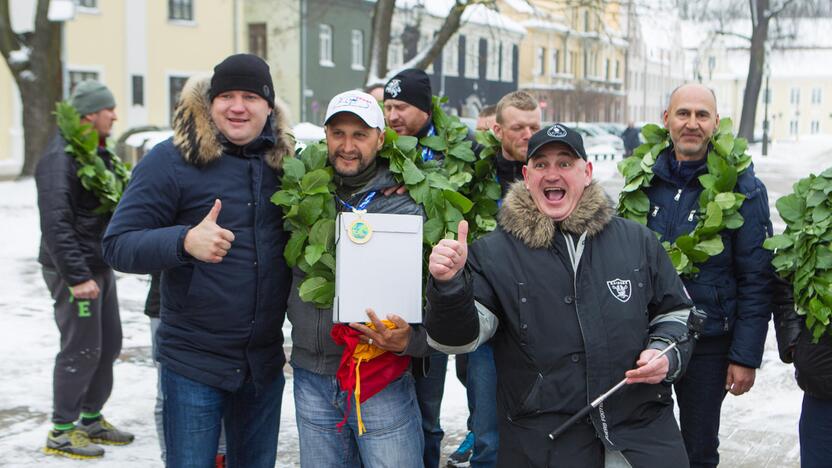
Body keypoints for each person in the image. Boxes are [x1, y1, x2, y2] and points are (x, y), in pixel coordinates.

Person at [425, 124, 695, 467]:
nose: (552, 174)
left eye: (565, 163)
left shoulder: (637, 242)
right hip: (543, 442)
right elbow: (457, 340)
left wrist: (665, 353)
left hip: (640, 433)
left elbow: (677, 314)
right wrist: (449, 287)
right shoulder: (493, 254)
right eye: (541, 164)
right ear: (526, 175)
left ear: (587, 172)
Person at [102, 54, 294, 468]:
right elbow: (117, 244)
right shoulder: (170, 160)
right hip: (194, 362)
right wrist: (183, 240)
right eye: (226, 96)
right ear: (210, 102)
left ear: (268, 105)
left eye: (249, 96)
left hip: (262, 364)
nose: (237, 106)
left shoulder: (288, 166)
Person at [288, 89, 430, 467]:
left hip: (380, 378)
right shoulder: (299, 196)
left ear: (381, 139)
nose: (347, 146)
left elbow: (441, 294)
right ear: (325, 136)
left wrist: (412, 340)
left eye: (360, 134)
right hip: (313, 378)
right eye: (338, 133)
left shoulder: (408, 201)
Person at [644, 83, 774, 468]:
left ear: (716, 123)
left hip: (709, 344)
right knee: (646, 443)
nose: (692, 124)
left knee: (698, 450)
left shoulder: (745, 189)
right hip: (649, 336)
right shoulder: (645, 182)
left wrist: (746, 356)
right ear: (666, 119)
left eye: (702, 115)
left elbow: (756, 278)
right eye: (683, 113)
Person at [36, 80, 134, 459]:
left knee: (108, 344)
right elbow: (56, 223)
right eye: (109, 109)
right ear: (91, 114)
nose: (115, 115)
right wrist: (76, 277)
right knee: (81, 348)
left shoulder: (96, 154)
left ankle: (90, 419)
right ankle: (62, 430)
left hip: (97, 267)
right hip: (73, 273)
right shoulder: (59, 159)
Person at [447, 91, 543, 468]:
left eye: (533, 126)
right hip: (488, 324)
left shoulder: (552, 177)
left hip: (541, 325)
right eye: (518, 127)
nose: (527, 135)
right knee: (487, 437)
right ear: (498, 130)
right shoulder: (473, 174)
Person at [382, 68, 448, 468]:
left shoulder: (454, 151)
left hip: (432, 304)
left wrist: (423, 180)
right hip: (387, 296)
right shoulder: (379, 148)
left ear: (424, 109)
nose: (392, 115)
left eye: (401, 106)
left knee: (427, 412)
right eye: (387, 106)